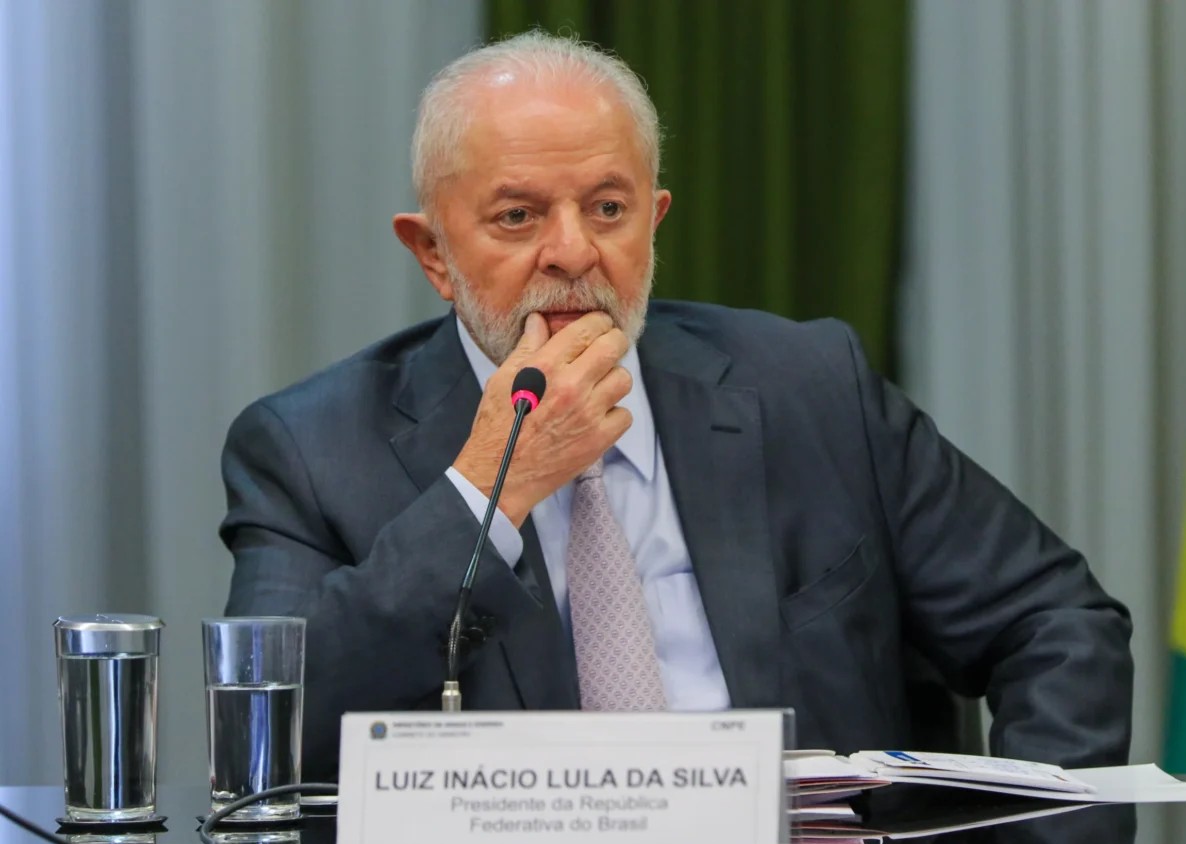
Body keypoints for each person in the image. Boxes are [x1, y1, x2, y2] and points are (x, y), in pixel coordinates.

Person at [220, 31, 1133, 786]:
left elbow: (1056, 620)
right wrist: (488, 492)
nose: (573, 252)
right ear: (433, 255)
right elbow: (266, 742)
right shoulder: (310, 449)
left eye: (608, 208)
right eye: (518, 217)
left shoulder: (811, 387)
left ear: (653, 220)